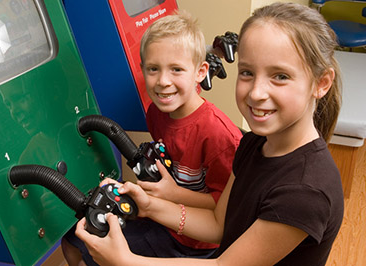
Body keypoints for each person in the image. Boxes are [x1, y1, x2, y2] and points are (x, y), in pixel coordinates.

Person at [74, 2, 345, 265]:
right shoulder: (254, 144)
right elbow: (217, 224)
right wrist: (150, 206)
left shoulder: (305, 192)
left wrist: (126, 261)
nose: (256, 92)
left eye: (280, 76)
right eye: (247, 73)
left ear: (321, 83)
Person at [62, 10, 242, 265]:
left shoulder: (219, 136)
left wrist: (173, 193)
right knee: (73, 240)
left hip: (195, 244)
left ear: (200, 72)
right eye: (153, 69)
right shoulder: (157, 112)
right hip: (160, 217)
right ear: (142, 68)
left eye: (176, 69)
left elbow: (224, 208)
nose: (163, 81)